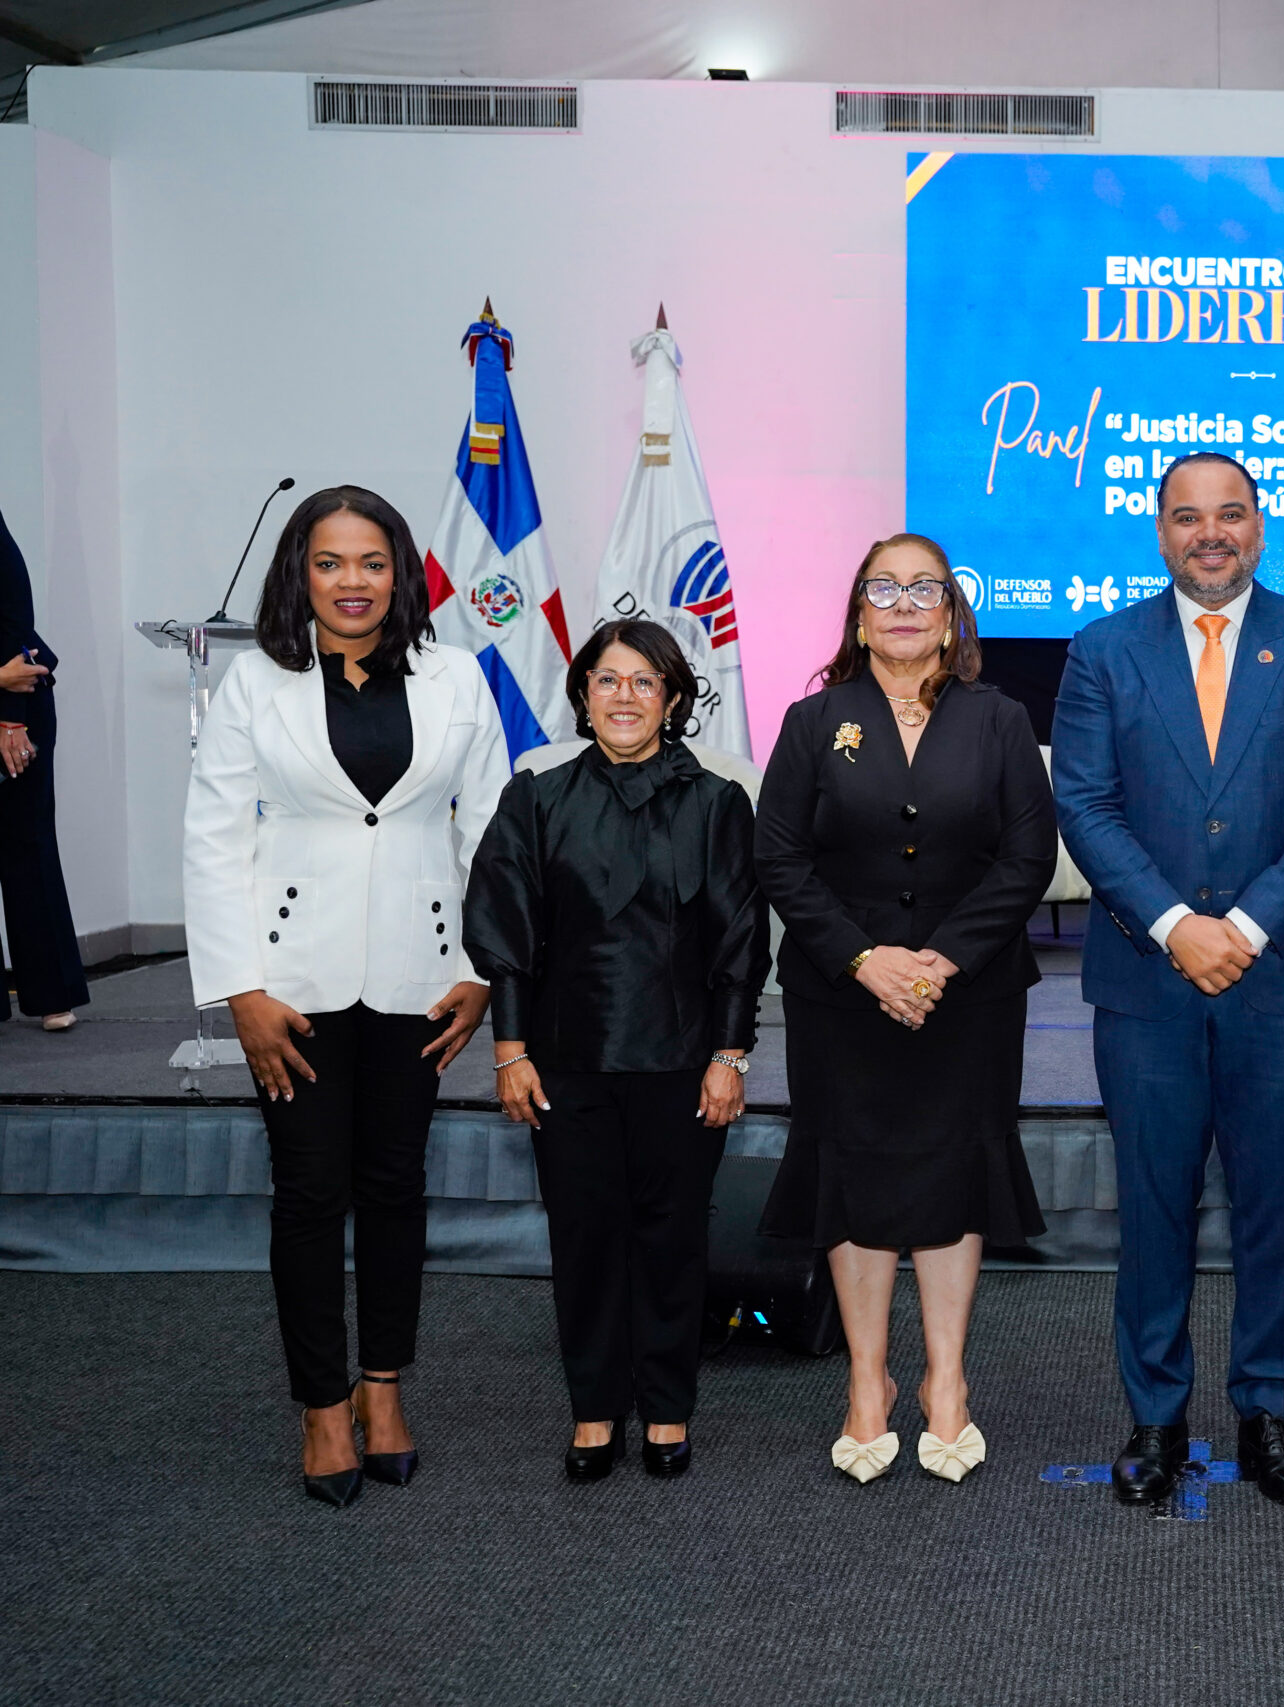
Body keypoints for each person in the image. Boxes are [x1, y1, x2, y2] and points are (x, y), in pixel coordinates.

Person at [1051, 451, 1284, 1508]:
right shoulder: (1101, 650)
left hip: (1276, 977)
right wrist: (1170, 926)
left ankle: (1269, 1410)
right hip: (1145, 982)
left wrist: (1236, 927)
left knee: (1275, 1204)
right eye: (1188, 517)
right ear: (1158, 533)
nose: (1210, 534)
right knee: (1151, 1205)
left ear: (1260, 526)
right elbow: (1087, 807)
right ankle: (1154, 1417)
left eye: (1230, 515)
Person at [182, 485, 509, 1506]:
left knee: (396, 1187)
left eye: (372, 562)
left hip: (423, 974)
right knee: (310, 1193)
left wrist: (483, 965)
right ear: (301, 574)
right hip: (293, 980)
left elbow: (492, 829)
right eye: (331, 563)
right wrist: (239, 988)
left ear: (401, 573)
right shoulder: (254, 684)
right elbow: (214, 834)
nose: (353, 582)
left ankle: (382, 1389)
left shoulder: (456, 675)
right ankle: (322, 1406)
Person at [754, 533, 1055, 1486]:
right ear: (856, 613)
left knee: (951, 1175)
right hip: (842, 999)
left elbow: (1026, 858)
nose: (905, 602)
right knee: (856, 1177)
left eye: (926, 587)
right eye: (884, 587)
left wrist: (943, 961)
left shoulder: (999, 719)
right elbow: (779, 859)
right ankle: (869, 1382)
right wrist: (862, 958)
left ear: (953, 613)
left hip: (968, 996)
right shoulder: (815, 721)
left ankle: (948, 1385)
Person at [465, 619, 768, 1483]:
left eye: (644, 682)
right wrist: (510, 1052)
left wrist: (731, 1055)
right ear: (582, 694)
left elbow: (740, 942)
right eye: (607, 680)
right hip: (564, 1060)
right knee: (585, 1240)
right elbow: (507, 934)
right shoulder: (537, 797)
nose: (624, 696)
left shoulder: (717, 803)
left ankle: (668, 1409)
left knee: (671, 1240)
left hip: (684, 1064)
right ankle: (595, 1409)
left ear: (673, 699)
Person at [0, 505, 86, 1032]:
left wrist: (9, 720)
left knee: (25, 841)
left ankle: (52, 993)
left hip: (19, 700)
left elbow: (14, 619)